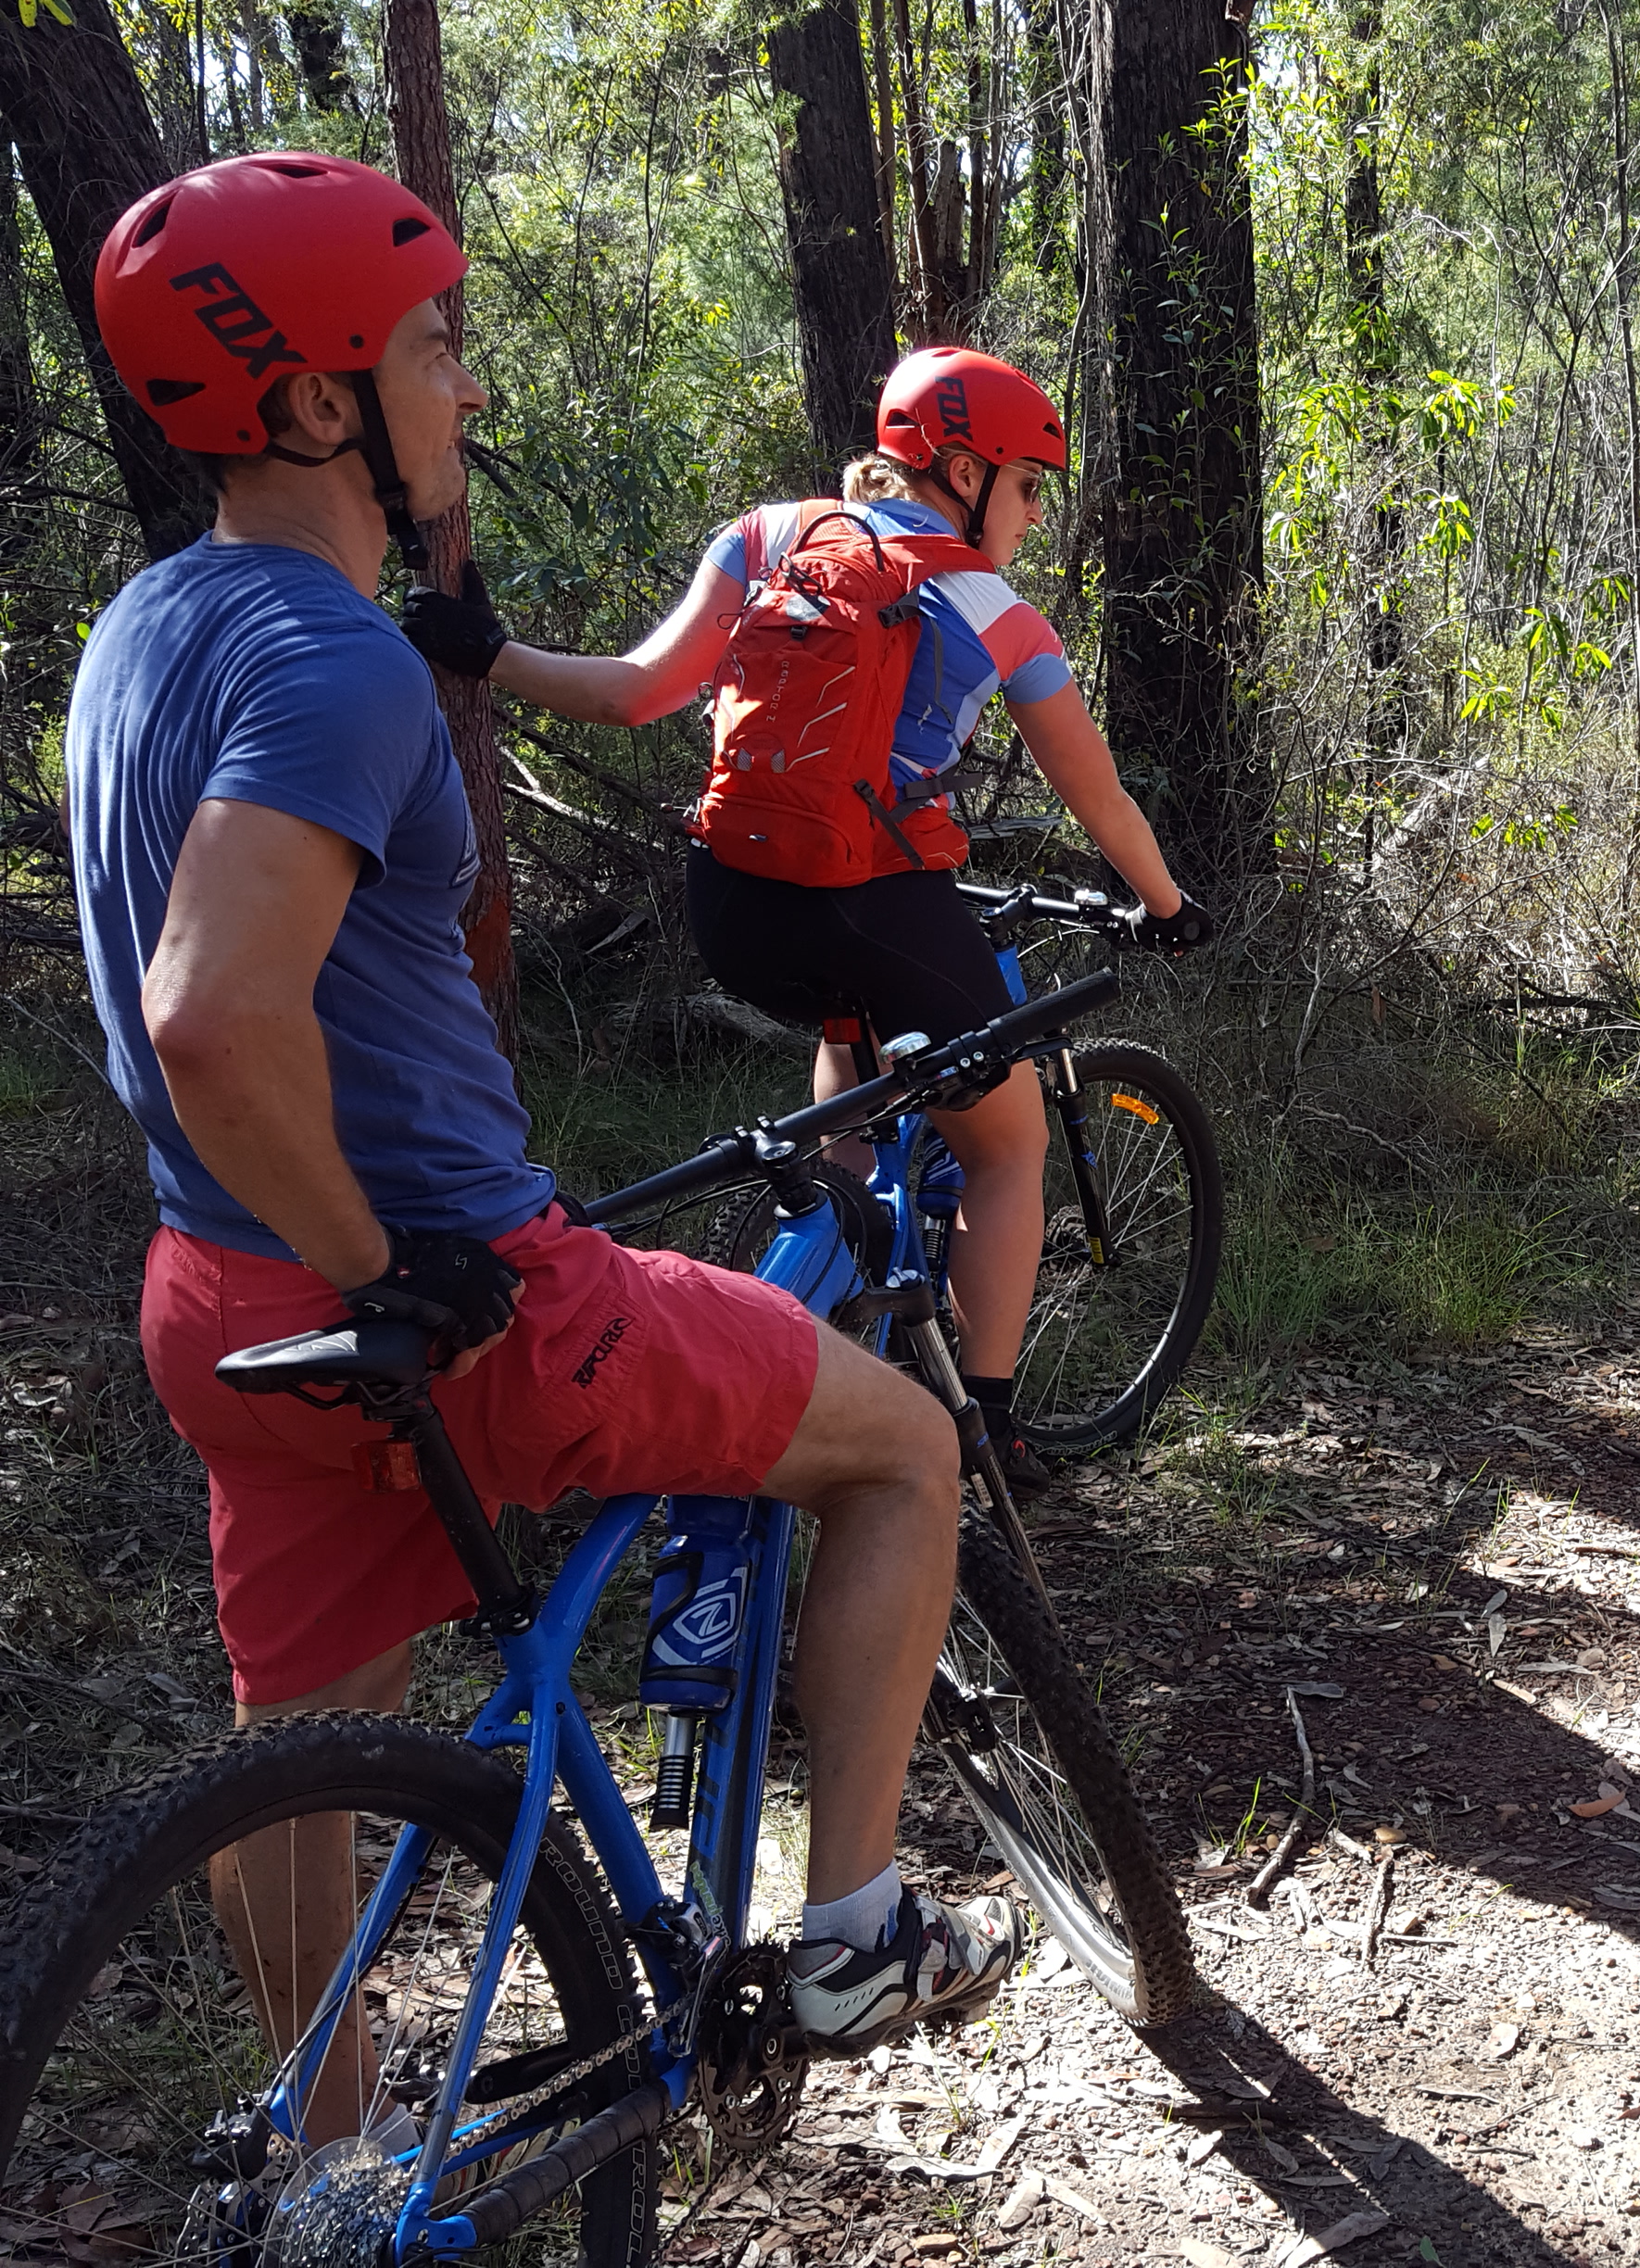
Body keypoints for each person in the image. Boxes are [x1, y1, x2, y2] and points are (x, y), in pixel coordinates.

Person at [70, 155, 1021, 2138]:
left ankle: (325, 2163)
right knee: (910, 1447)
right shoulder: (331, 659)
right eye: (434, 349)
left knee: (316, 1730)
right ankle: (848, 1928)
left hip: (211, 1292)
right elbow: (211, 1009)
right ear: (319, 401)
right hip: (449, 1291)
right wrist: (387, 1259)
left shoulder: (143, 629)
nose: (469, 390)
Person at [404, 349, 1205, 1496]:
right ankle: (987, 1424)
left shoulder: (768, 535)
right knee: (1012, 1142)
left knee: (854, 1063)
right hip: (867, 902)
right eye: (1029, 486)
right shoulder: (1000, 612)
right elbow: (1102, 799)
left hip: (730, 904)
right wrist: (1168, 907)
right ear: (966, 470)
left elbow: (636, 691)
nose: (1034, 514)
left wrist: (488, 652)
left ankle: (828, 1303)